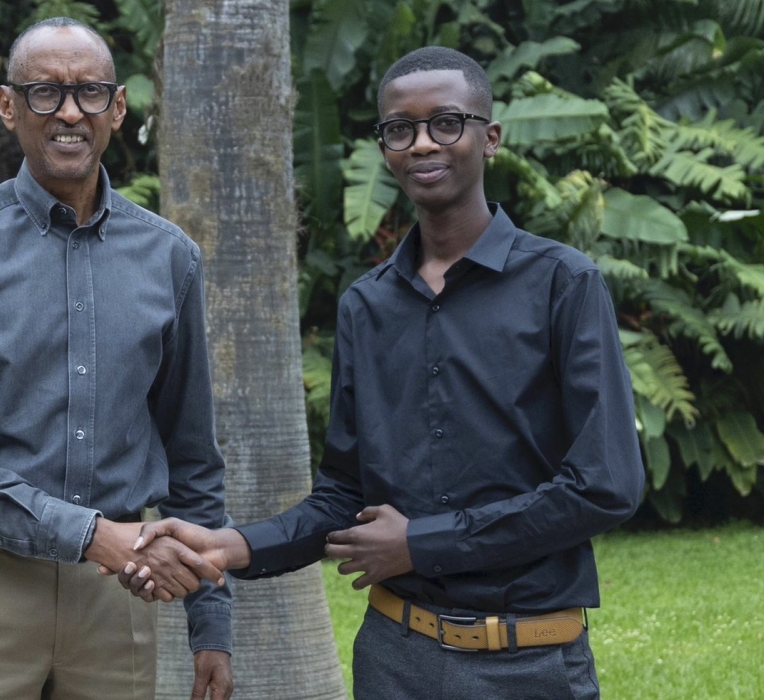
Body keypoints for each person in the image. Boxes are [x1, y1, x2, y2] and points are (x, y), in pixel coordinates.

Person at [117, 46, 644, 699]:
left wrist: (424, 543)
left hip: (528, 663)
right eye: (401, 129)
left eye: (446, 123)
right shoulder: (367, 305)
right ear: (386, 148)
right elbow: (343, 493)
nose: (423, 143)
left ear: (491, 138)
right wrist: (230, 548)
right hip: (396, 660)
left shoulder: (564, 284)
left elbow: (606, 485)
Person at [0, 17, 233, 700]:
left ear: (119, 106)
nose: (70, 111)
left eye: (91, 92)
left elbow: (192, 453)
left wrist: (211, 623)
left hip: (118, 601)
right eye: (45, 92)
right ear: (8, 107)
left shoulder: (170, 259)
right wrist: (90, 533)